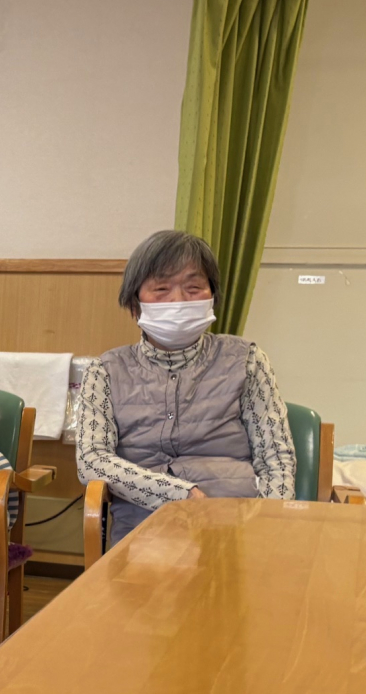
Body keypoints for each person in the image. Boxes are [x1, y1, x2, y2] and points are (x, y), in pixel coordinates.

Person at [75, 229, 295, 546]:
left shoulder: (247, 359)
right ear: (135, 304)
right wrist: (179, 494)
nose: (178, 301)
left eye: (193, 288)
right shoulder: (105, 371)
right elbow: (92, 460)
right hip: (145, 529)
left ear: (212, 296)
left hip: (238, 524)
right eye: (161, 289)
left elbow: (276, 457)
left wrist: (268, 524)